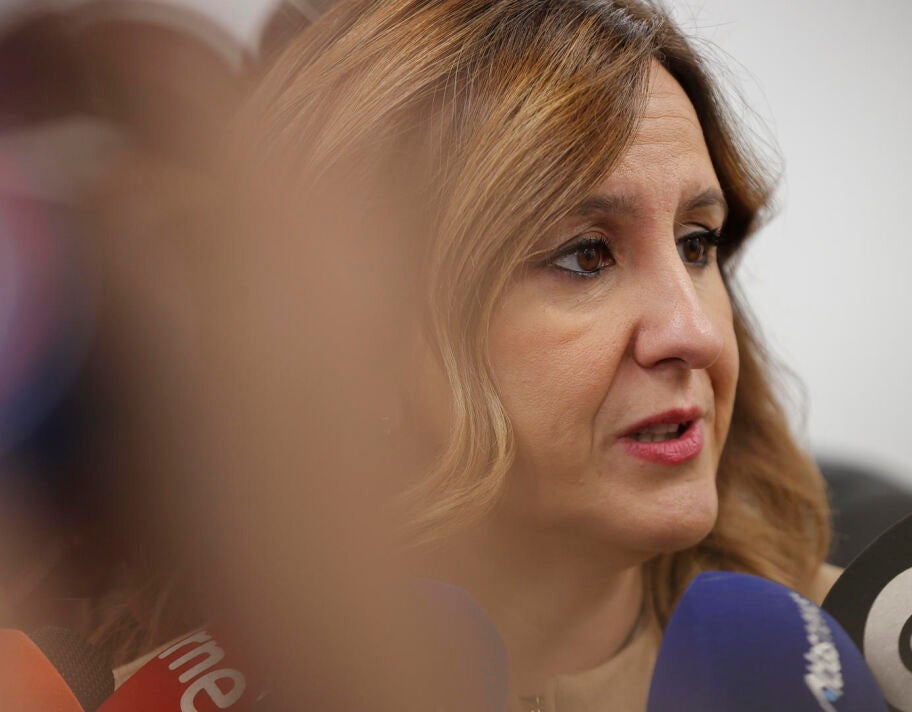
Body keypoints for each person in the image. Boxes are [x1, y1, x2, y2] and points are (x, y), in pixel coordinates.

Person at [99, 0, 838, 709]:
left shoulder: (865, 660)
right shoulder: (150, 698)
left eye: (696, 244)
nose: (695, 333)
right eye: (586, 255)